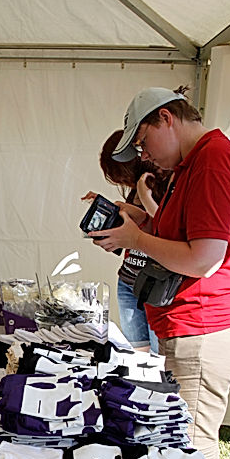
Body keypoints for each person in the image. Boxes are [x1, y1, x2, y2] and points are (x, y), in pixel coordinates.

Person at [86, 86, 230, 459]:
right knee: (182, 442)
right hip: (194, 324)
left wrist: (136, 238)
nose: (144, 157)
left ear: (166, 118)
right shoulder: (195, 163)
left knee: (191, 452)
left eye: (143, 143)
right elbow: (186, 236)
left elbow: (204, 259)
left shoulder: (212, 161)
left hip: (205, 325)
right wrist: (140, 220)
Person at [84, 128, 171, 351]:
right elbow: (136, 226)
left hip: (155, 285)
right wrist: (112, 210)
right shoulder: (137, 189)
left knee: (158, 358)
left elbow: (165, 228)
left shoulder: (160, 183)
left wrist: (143, 196)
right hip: (129, 280)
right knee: (137, 355)